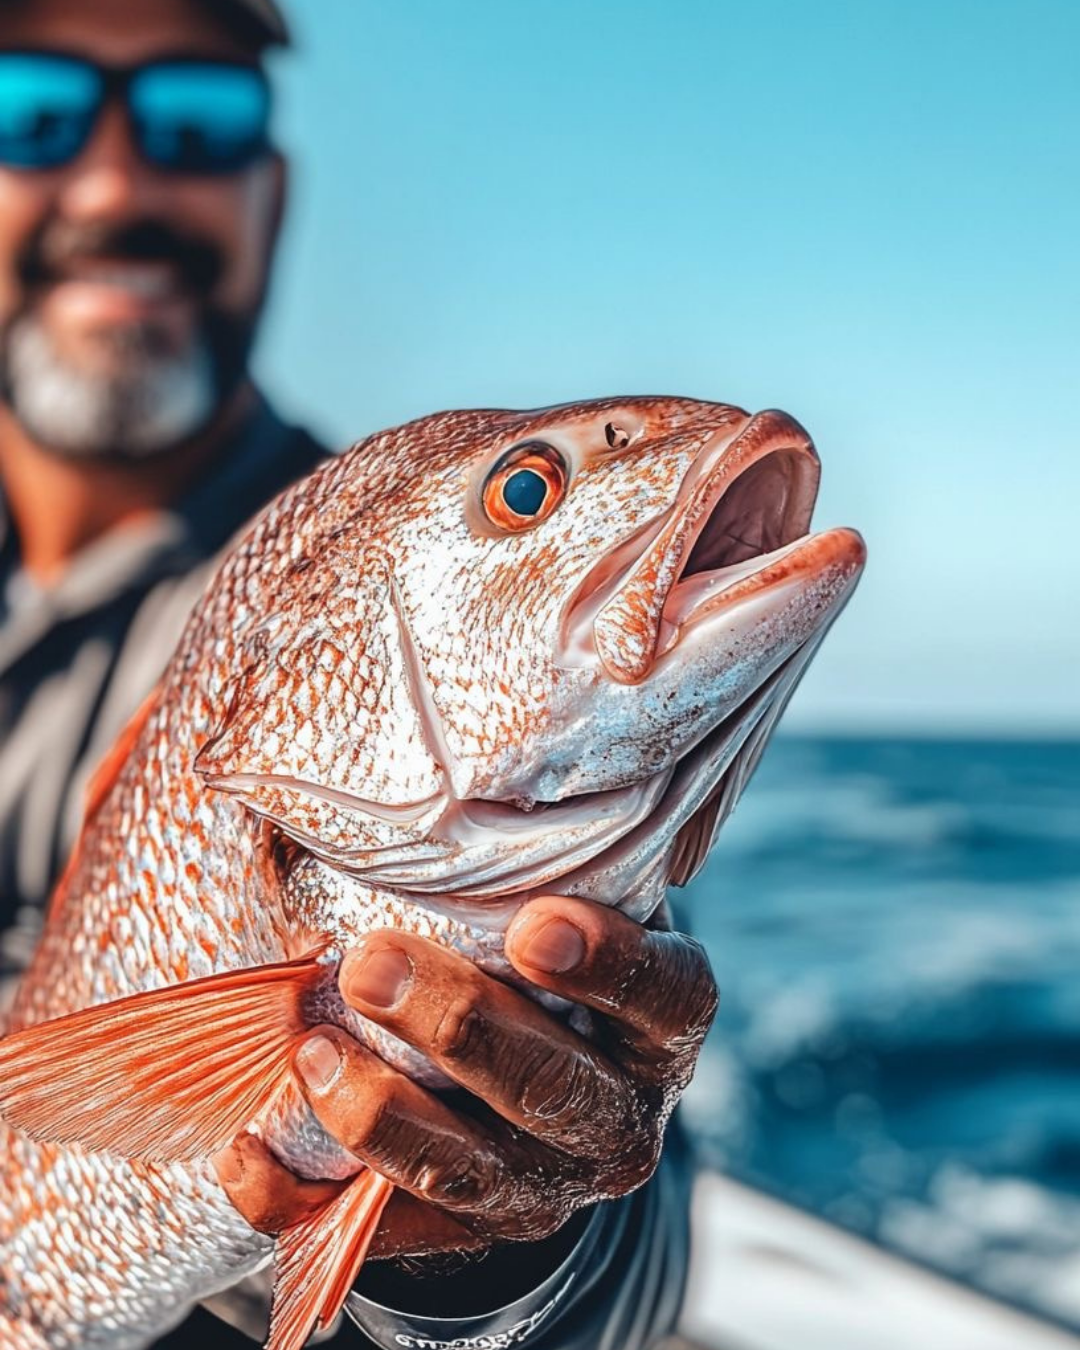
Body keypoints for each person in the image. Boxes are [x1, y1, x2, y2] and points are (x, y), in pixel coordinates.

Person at [0, 2, 718, 1347]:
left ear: (272, 196)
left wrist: (498, 1249)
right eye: (30, 108)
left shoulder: (388, 587)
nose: (114, 181)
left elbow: (649, 1251)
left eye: (195, 121)